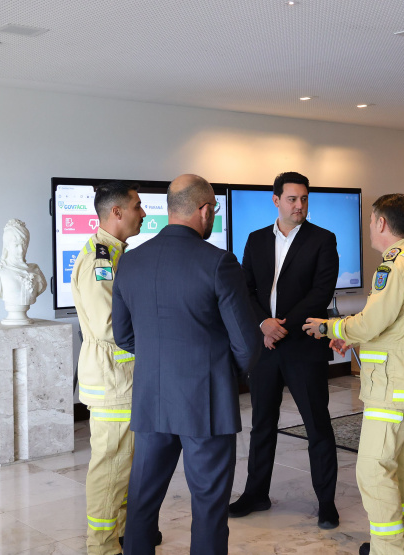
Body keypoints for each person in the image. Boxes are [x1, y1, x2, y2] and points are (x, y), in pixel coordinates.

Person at [112, 174, 261, 555]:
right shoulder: (219, 263)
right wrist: (224, 373)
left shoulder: (130, 261)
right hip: (205, 404)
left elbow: (124, 336)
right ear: (204, 209)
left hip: (151, 399)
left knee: (142, 502)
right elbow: (246, 344)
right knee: (209, 507)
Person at [304, 193, 404, 555]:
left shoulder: (392, 266)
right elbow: (396, 325)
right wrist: (352, 338)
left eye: (370, 221)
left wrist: (332, 328)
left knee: (373, 470)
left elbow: (375, 319)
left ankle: (388, 549)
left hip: (390, 386)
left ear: (380, 223)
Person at [229, 171, 341, 529]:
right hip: (265, 346)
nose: (299, 205)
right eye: (292, 199)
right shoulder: (255, 239)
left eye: (305, 199)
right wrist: (264, 323)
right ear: (276, 200)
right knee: (262, 423)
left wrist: (282, 326)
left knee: (317, 425)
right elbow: (245, 289)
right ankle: (256, 494)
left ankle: (326, 502)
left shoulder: (323, 239)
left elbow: (320, 293)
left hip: (303, 345)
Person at [70, 181, 149, 555]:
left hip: (121, 379)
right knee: (111, 466)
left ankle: (116, 536)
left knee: (122, 466)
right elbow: (110, 325)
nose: (144, 213)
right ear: (116, 212)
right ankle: (102, 546)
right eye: (137, 206)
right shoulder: (101, 259)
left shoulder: (116, 254)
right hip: (113, 380)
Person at [0, 219, 48, 325]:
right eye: (16, 245)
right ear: (7, 246)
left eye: (24, 245)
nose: (21, 250)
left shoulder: (36, 272)